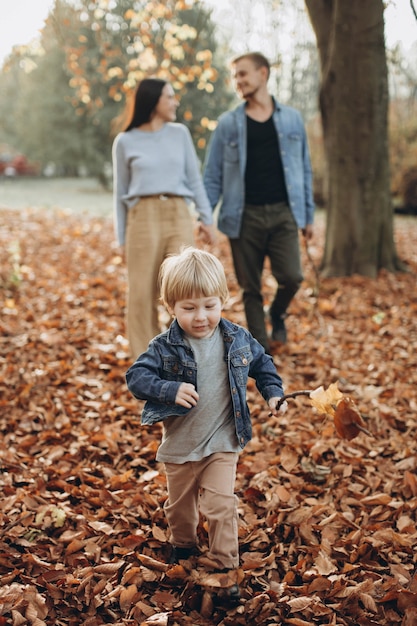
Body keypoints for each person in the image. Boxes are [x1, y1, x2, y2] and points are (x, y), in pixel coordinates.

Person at [125, 247, 287, 603]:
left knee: (221, 505)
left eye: (209, 306)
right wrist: (168, 389)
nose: (201, 317)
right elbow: (136, 377)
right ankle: (183, 547)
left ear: (223, 300)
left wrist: (273, 394)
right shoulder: (165, 347)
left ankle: (227, 571)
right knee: (180, 509)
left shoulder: (237, 338)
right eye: (189, 308)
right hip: (181, 447)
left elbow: (263, 365)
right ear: (171, 307)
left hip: (222, 442)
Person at [203, 52, 314, 353]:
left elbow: (303, 168)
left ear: (262, 74)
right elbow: (212, 175)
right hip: (242, 216)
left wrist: (308, 216)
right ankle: (261, 353)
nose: (238, 81)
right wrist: (204, 215)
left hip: (284, 213)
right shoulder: (227, 124)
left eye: (243, 74)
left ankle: (277, 314)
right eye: (235, 76)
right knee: (250, 289)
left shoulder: (291, 118)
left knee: (292, 277)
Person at [112, 77, 216, 357]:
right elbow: (120, 193)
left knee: (186, 287)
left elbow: (194, 180)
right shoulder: (125, 141)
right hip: (141, 217)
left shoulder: (179, 133)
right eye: (170, 96)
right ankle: (145, 365)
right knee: (141, 294)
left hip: (178, 213)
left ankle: (186, 358)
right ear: (154, 101)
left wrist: (206, 218)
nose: (175, 102)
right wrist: (121, 239)